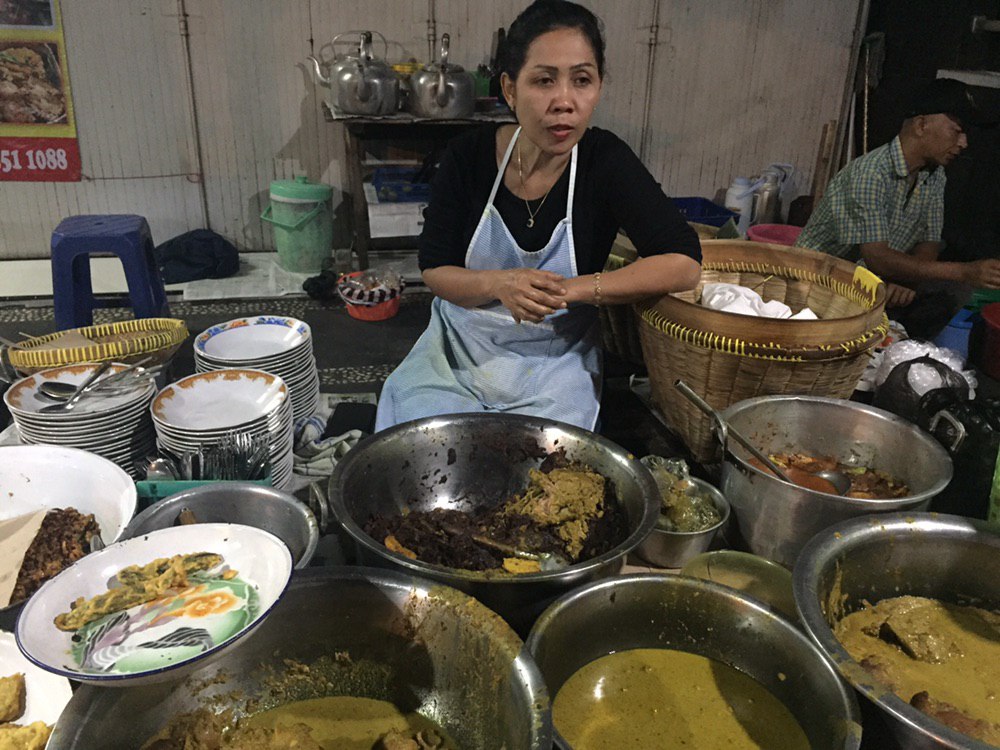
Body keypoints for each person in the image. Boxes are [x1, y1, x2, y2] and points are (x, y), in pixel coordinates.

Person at [374, 0, 701, 433]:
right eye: (544, 80)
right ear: (510, 89)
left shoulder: (606, 162)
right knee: (421, 448)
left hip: (555, 357)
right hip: (460, 348)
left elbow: (683, 262)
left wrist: (572, 290)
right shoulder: (468, 157)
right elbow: (435, 271)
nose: (564, 102)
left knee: (546, 473)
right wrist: (500, 283)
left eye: (582, 80)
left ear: (599, 87)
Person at [797, 78, 1000, 335]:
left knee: (952, 293)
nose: (963, 143)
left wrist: (908, 282)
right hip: (820, 280)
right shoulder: (871, 173)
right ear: (921, 125)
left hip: (873, 279)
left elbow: (929, 242)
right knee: (955, 282)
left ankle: (894, 347)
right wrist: (964, 271)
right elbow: (877, 257)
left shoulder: (934, 175)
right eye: (956, 131)